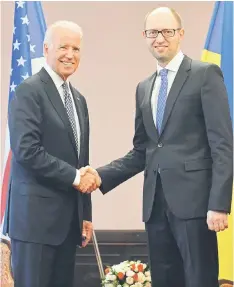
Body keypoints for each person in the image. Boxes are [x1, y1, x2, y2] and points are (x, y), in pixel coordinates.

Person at [83, 7, 233, 287]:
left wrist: (219, 204)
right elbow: (143, 150)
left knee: (200, 279)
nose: (159, 38)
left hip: (196, 206)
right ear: (145, 36)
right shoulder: (144, 87)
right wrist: (101, 175)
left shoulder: (205, 75)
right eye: (153, 32)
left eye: (167, 31)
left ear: (181, 34)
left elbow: (223, 144)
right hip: (155, 207)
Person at [3, 21, 100, 287]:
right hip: (35, 225)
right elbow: (26, 151)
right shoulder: (29, 91)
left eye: (76, 49)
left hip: (68, 225)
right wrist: (74, 177)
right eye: (63, 47)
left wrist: (86, 213)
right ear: (46, 49)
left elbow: (82, 161)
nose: (70, 54)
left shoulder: (79, 100)